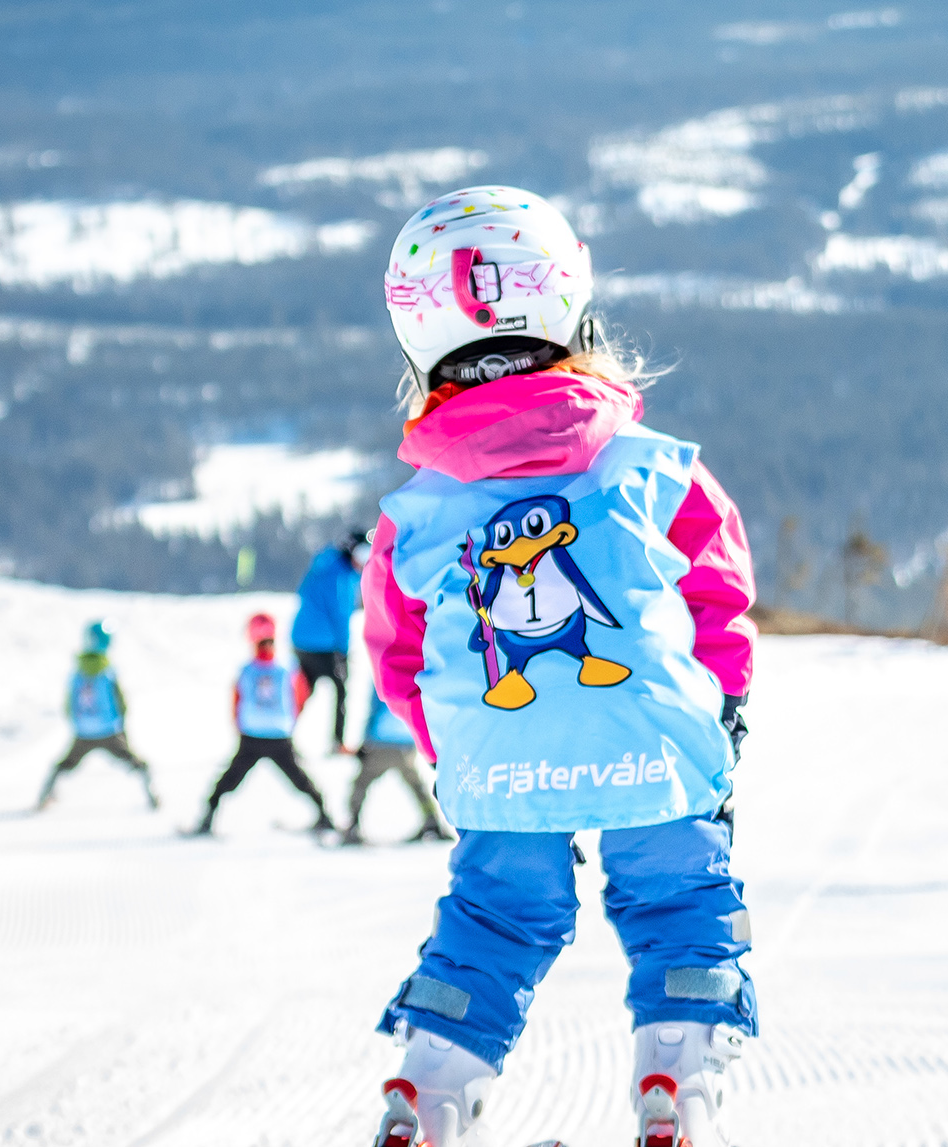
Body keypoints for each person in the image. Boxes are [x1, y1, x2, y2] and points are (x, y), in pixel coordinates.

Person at [363, 187, 757, 1147]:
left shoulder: (414, 511)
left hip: (498, 755)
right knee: (678, 899)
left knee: (497, 912)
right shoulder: (656, 465)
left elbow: (398, 651)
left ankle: (430, 1091)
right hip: (653, 741)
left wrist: (451, 740)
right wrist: (725, 707)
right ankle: (678, 1086)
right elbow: (716, 593)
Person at [189, 613, 335, 836]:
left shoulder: (246, 670)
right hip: (280, 734)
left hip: (251, 736)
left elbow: (236, 701)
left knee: (230, 779)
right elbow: (301, 697)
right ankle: (324, 815)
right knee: (299, 778)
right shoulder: (288, 668)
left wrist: (239, 725)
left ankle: (208, 816)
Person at [38, 620, 158, 811]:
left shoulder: (77, 671)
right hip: (109, 730)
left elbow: (69, 703)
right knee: (137, 763)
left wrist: (78, 723)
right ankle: (153, 798)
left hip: (83, 731)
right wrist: (122, 724)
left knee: (63, 765)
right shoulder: (108, 671)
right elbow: (121, 702)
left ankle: (44, 798)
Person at [342, 685, 452, 847]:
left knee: (362, 783)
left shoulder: (382, 676)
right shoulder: (414, 676)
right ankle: (431, 821)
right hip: (406, 738)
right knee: (415, 783)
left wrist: (365, 738)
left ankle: (352, 824)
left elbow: (374, 706)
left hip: (382, 739)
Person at [291, 530, 371, 750]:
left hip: (299, 640)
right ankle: (338, 742)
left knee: (303, 691)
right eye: (364, 555)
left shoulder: (323, 563)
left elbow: (302, 591)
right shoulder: (343, 576)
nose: (365, 563)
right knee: (341, 690)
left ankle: (281, 735)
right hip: (324, 646)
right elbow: (341, 615)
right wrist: (343, 650)